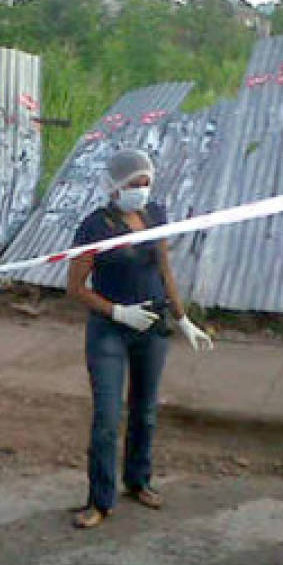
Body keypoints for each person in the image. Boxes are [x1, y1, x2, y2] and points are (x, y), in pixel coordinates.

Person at [66, 148, 213, 529]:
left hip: (152, 325)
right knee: (107, 416)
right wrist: (116, 312)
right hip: (111, 330)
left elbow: (164, 268)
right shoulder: (95, 227)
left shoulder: (154, 216)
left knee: (145, 410)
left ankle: (139, 480)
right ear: (114, 188)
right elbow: (75, 286)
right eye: (135, 184)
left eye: (147, 183)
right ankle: (99, 500)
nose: (142, 190)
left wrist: (182, 319)